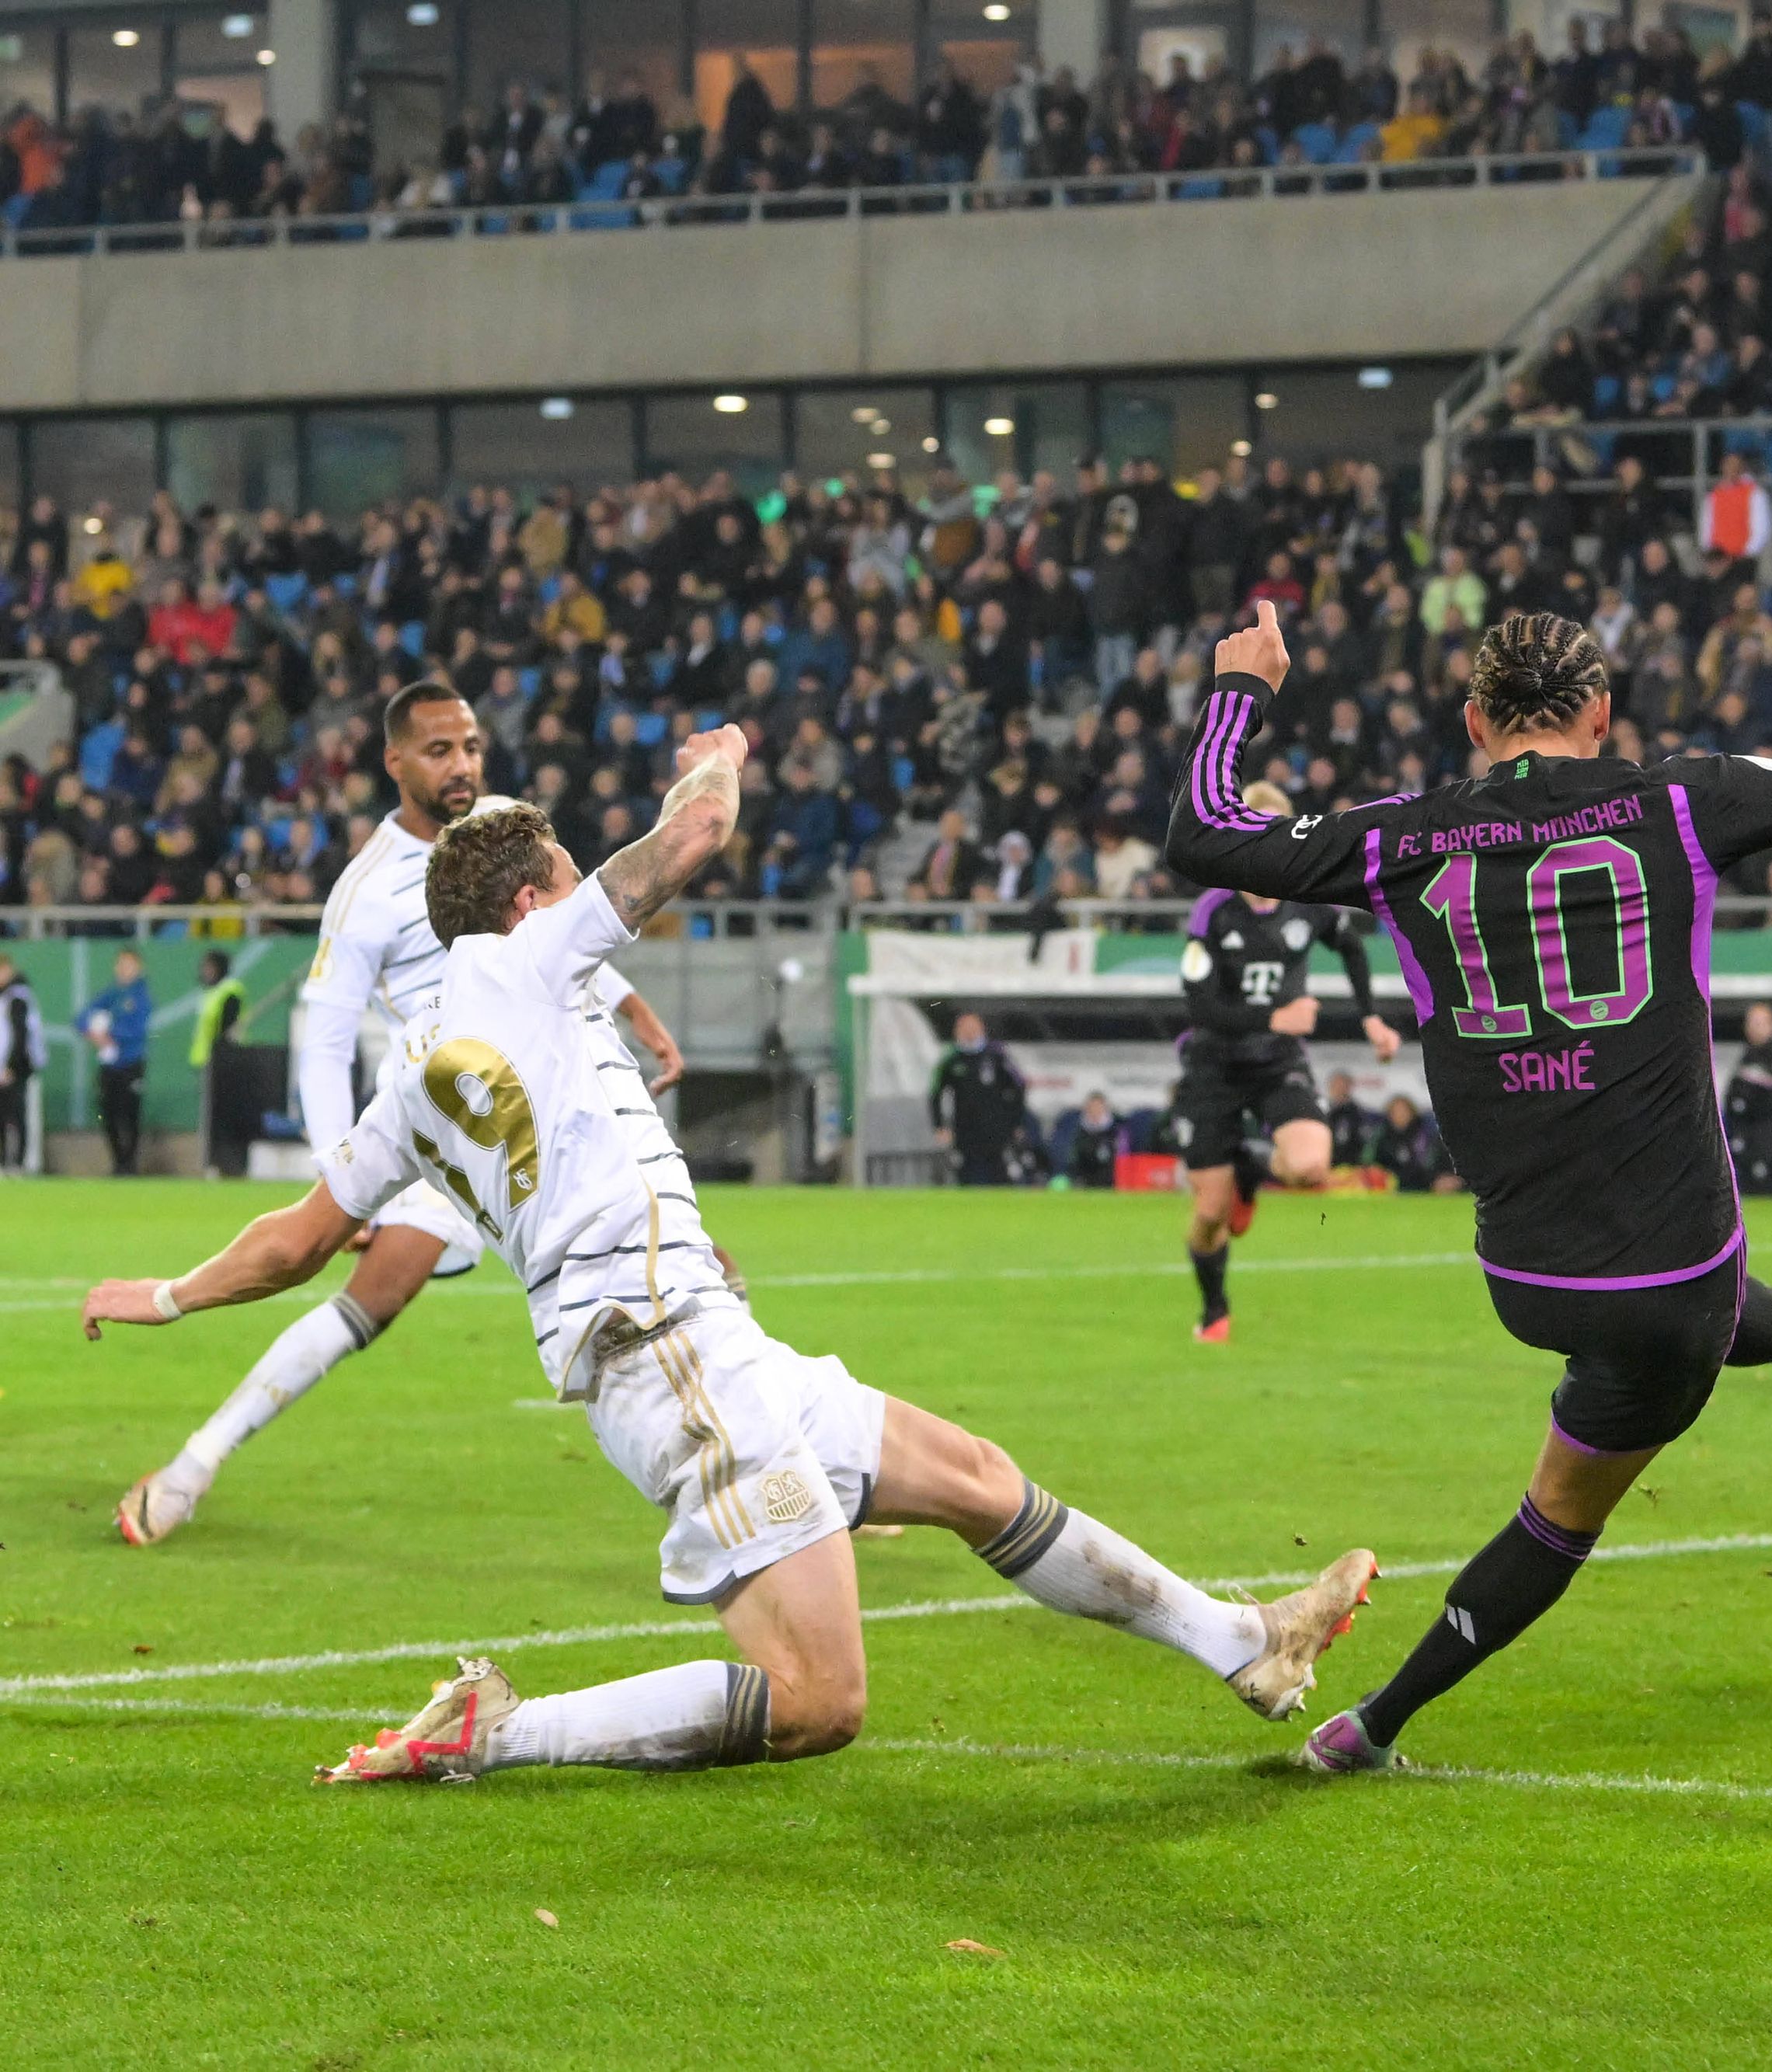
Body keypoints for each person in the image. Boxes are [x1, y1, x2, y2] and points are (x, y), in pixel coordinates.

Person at [80, 729, 1379, 1782]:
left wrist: (167, 1294)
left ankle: (1244, 1644)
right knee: (821, 1700)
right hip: (668, 1355)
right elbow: (697, 836)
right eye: (570, 866)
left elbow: (299, 1239)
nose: (591, 880)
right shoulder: (531, 963)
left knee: (978, 1478)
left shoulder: (420, 1065)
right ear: (531, 898)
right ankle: (499, 1728)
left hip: (697, 1336)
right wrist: (720, 755)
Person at [1165, 604, 1772, 1773]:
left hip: (1524, 1274)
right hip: (1677, 1268)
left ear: (1476, 721)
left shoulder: (1403, 835)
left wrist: (1244, 686)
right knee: (1579, 1484)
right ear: (1602, 714)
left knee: (1667, 1333)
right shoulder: (1676, 802)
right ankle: (1370, 1725)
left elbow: (1206, 835)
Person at [114, 685, 688, 1548]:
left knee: (692, 1260)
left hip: (557, 1081)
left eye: (469, 746)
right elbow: (326, 1039)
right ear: (395, 763)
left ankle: (794, 1464)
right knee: (365, 1302)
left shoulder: (505, 830)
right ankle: (193, 1467)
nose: (461, 766)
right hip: (452, 1109)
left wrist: (637, 1012)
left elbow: (559, 933)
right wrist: (340, 1170)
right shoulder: (365, 891)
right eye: (439, 751)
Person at [1171, 777, 1403, 1342]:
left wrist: (1370, 1015)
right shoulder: (1213, 909)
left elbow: (1351, 946)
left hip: (1277, 1061)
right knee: (1209, 1215)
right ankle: (1214, 1308)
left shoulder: (1306, 902)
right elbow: (1200, 1005)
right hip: (1214, 1064)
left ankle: (1253, 1166)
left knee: (1310, 1169)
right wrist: (1275, 1017)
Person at [929, 1011, 1030, 1185]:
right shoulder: (951, 1059)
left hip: (997, 1130)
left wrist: (1016, 1121)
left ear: (981, 1029)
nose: (969, 1032)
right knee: (968, 1177)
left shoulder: (997, 1055)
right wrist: (940, 1126)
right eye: (964, 1027)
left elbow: (1019, 1087)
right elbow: (935, 1094)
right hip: (965, 1130)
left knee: (1000, 1177)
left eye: (972, 1027)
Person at [77, 948, 151, 1176]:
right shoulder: (113, 994)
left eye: (128, 965)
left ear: (138, 968)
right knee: (108, 1113)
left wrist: (111, 1034)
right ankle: (118, 1161)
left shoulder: (141, 996)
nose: (123, 969)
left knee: (130, 1114)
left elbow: (136, 1029)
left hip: (131, 1063)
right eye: (121, 964)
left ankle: (129, 1164)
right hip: (109, 1064)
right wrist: (91, 1032)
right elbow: (82, 1017)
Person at [191, 950, 259, 1179]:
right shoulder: (212, 992)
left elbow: (227, 1028)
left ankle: (224, 1164)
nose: (205, 972)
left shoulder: (229, 991)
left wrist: (219, 1050)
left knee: (221, 1117)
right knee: (211, 1116)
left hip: (225, 1062)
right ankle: (215, 1163)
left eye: (210, 967)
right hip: (211, 1061)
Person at [1724, 1001, 1772, 1193]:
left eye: (1760, 1022)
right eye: (1751, 1022)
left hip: (1769, 1145)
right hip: (1744, 1143)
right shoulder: (1747, 1057)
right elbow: (1733, 1098)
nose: (1754, 1028)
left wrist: (1750, 1101)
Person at [0, 952, 37, 1173]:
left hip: (14, 1068)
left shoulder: (18, 998)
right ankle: (5, 1161)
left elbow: (20, 1036)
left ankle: (18, 1163)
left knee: (16, 1115)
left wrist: (11, 1067)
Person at [1059, 1091, 1123, 1187]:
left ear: (1105, 1107)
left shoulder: (1117, 1127)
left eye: (1098, 1106)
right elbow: (1074, 1157)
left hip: (1110, 1178)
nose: (1095, 1110)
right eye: (1092, 1107)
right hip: (1084, 1178)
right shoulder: (1077, 1129)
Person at [1322, 1068, 1384, 1168]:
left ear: (1349, 1087)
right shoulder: (1322, 1112)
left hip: (1353, 1170)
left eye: (1343, 1085)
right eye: (1336, 1085)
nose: (1339, 1089)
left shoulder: (1359, 1114)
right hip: (1325, 1168)